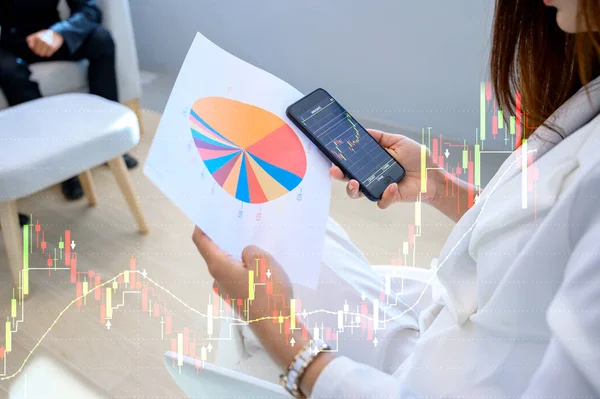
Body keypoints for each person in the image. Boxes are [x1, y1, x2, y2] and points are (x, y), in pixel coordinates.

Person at [193, 0, 600, 398]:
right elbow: (539, 234)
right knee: (286, 239)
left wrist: (285, 337)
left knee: (261, 281)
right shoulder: (587, 106)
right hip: (441, 340)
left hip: (431, 380)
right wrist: (439, 186)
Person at [0, 0, 138, 224]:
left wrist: (60, 33)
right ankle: (60, 166)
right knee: (11, 74)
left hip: (50, 33)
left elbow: (89, 9)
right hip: (10, 42)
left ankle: (107, 136)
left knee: (101, 40)